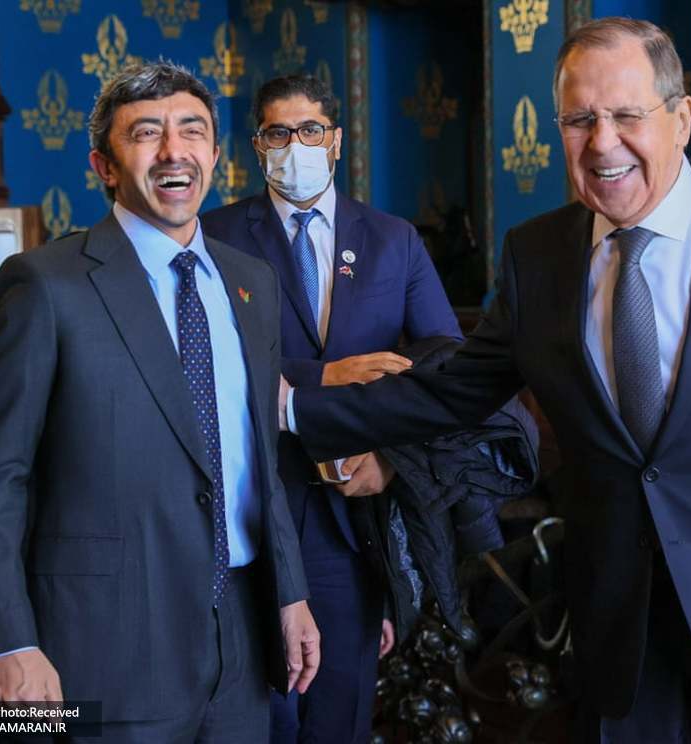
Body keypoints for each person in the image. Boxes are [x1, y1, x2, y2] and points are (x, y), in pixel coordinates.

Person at [283, 17, 691, 743]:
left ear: (682, 118)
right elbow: (449, 392)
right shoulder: (536, 255)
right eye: (579, 120)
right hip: (623, 639)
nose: (602, 142)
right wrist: (291, 409)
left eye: (627, 115)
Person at [0, 61, 319, 743]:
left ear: (215, 155)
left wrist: (290, 593)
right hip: (100, 645)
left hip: (241, 638)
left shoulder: (253, 283)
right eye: (146, 134)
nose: (174, 151)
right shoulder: (45, 285)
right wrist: (8, 641)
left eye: (192, 131)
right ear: (105, 166)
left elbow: (259, 463)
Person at [202, 73, 461, 744]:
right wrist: (324, 376)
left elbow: (444, 360)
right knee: (263, 716)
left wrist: (391, 456)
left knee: (339, 717)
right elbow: (202, 358)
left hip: (352, 521)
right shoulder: (215, 235)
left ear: (337, 141)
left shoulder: (393, 239)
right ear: (258, 145)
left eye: (310, 130)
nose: (296, 146)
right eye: (278, 133)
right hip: (254, 514)